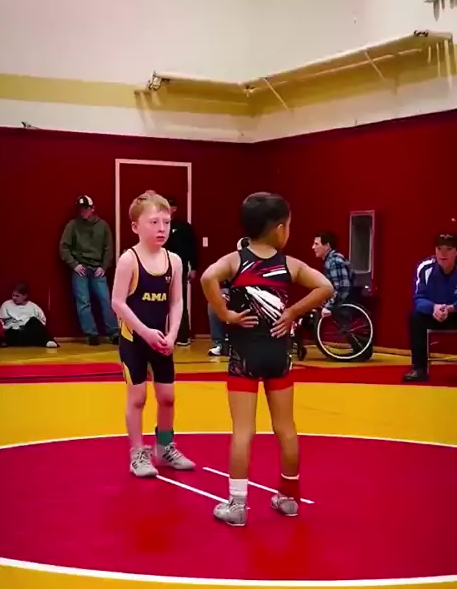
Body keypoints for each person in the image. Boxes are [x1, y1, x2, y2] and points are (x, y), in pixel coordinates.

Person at [201, 192, 333, 526]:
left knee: (243, 431)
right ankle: (289, 499)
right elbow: (325, 287)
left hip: (244, 356)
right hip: (278, 355)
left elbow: (206, 278)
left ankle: (237, 505)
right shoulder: (290, 265)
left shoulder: (234, 261)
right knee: (286, 428)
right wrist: (292, 312)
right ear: (279, 229)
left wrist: (226, 314)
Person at [111, 191, 195, 478]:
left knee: (168, 397)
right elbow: (117, 302)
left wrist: (172, 335)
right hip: (135, 340)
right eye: (154, 222)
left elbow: (177, 301)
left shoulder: (175, 261)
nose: (162, 229)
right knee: (137, 398)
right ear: (136, 226)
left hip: (161, 342)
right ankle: (137, 452)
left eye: (166, 223)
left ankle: (164, 447)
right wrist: (146, 332)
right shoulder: (129, 260)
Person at [60, 195, 119, 346]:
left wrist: (104, 267)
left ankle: (114, 333)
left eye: (86, 208)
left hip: (97, 268)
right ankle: (91, 334)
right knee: (83, 302)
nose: (83, 212)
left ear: (93, 209)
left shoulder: (103, 226)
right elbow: (64, 247)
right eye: (81, 209)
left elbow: (108, 248)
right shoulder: (72, 225)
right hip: (80, 268)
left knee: (105, 300)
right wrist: (74, 264)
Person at [403, 233, 457, 383]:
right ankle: (419, 369)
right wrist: (433, 307)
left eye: (448, 249)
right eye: (439, 249)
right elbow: (418, 298)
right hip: (433, 313)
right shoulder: (425, 268)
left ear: (456, 252)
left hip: (454, 313)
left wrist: (451, 308)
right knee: (415, 317)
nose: (443, 254)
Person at [164, 197, 198, 346]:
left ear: (174, 208)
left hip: (180, 268)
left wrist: (194, 267)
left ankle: (183, 335)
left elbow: (192, 248)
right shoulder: (159, 226)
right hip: (161, 267)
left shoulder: (183, 227)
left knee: (179, 300)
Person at [0, 283, 58, 348]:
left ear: (25, 296)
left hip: (28, 332)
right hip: (13, 332)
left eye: (17, 296)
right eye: (13, 295)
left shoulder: (34, 307)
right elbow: (1, 321)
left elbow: (42, 323)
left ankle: (48, 342)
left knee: (34, 320)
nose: (14, 298)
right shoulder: (6, 304)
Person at [311, 232, 354, 317]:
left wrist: (329, 306)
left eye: (316, 244)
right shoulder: (330, 261)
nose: (313, 247)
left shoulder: (334, 262)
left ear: (327, 246)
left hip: (344, 307)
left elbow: (342, 288)